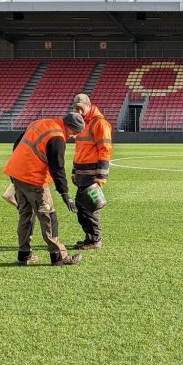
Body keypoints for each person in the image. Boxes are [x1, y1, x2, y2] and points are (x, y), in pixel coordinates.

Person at [3, 112, 85, 266]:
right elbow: (57, 168)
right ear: (68, 127)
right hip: (34, 180)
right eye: (74, 133)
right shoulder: (57, 138)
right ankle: (59, 257)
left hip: (17, 174)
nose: (73, 137)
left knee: (26, 216)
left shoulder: (40, 123)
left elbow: (18, 144)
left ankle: (24, 256)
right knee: (48, 216)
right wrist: (65, 194)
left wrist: (16, 174)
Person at [71, 93, 113, 250]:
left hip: (92, 174)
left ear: (89, 106)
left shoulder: (100, 123)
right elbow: (79, 149)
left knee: (89, 208)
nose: (78, 111)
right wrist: (75, 171)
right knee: (81, 207)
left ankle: (95, 240)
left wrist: (101, 176)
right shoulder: (81, 123)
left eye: (81, 108)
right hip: (82, 173)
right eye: (76, 108)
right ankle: (90, 238)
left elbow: (105, 149)